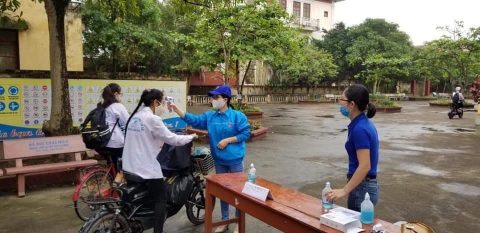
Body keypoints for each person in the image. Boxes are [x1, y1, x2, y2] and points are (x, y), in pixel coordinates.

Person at [170, 85, 250, 233]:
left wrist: (228, 140)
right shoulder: (210, 116)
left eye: (216, 97)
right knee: (223, 192)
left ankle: (239, 221)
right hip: (219, 161)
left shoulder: (237, 116)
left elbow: (245, 133)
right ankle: (225, 220)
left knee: (238, 192)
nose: (213, 100)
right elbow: (193, 120)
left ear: (225, 99)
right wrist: (176, 109)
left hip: (235, 161)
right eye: (212, 97)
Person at [122, 89, 197, 233]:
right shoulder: (153, 119)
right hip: (144, 168)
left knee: (145, 197)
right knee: (161, 198)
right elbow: (173, 139)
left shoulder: (135, 116)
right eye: (162, 102)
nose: (163, 105)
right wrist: (191, 137)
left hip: (129, 166)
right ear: (155, 103)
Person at [327, 84, 379, 212]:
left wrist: (344, 191)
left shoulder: (360, 129)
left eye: (342, 100)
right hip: (363, 187)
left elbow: (365, 166)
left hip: (362, 189)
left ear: (352, 104)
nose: (340, 103)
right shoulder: (361, 124)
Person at [101, 83, 129, 185]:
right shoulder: (118, 106)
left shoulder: (103, 106)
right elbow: (128, 122)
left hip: (103, 142)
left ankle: (115, 189)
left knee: (115, 165)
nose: (121, 96)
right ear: (116, 94)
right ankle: (119, 186)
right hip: (116, 142)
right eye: (120, 93)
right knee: (126, 165)